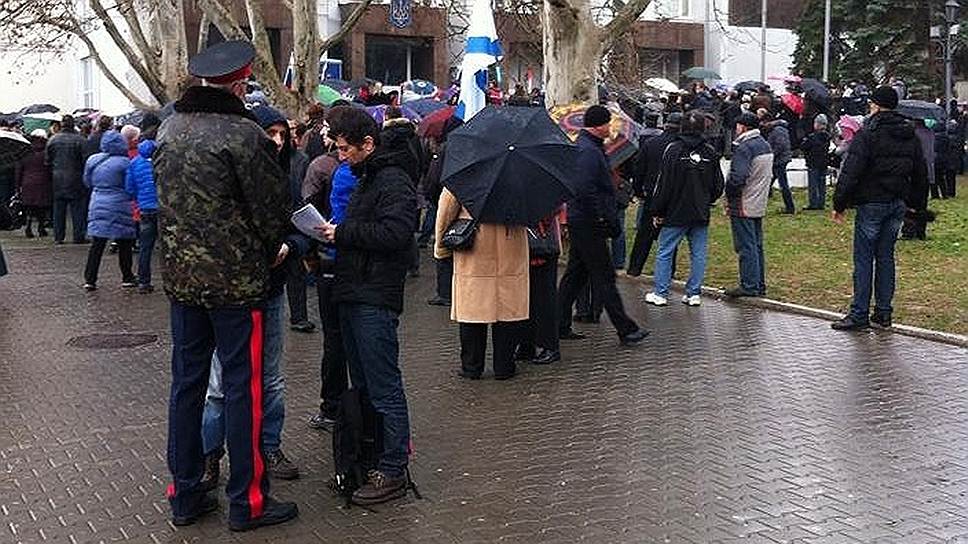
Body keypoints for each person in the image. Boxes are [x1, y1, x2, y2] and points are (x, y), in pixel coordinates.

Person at [154, 40, 298, 531]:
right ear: (240, 84)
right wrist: (275, 247)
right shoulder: (245, 135)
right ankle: (248, 501)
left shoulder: (169, 128)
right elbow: (271, 211)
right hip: (237, 285)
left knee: (187, 386)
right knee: (244, 389)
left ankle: (184, 493)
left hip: (183, 281)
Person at [199, 103, 310, 486]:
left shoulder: (287, 177)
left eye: (283, 134)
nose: (277, 141)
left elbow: (301, 226)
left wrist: (291, 247)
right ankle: (210, 454)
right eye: (270, 133)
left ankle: (269, 446)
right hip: (229, 293)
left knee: (271, 377)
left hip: (270, 289)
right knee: (219, 383)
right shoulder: (228, 174)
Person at [318, 107, 418, 505]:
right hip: (355, 290)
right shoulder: (367, 176)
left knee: (383, 385)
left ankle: (392, 466)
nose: (341, 156)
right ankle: (369, 457)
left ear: (368, 144)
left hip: (374, 295)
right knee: (362, 384)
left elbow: (396, 234)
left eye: (345, 149)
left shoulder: (392, 180)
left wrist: (342, 232)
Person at [830, 86, 927, 331]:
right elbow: (920, 172)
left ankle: (859, 313)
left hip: (872, 201)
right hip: (897, 201)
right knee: (885, 257)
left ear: (876, 105)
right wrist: (916, 206)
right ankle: (883, 312)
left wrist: (839, 203)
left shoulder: (868, 133)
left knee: (864, 259)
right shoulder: (910, 134)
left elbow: (852, 170)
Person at [557, 105, 649, 346]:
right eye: (607, 123)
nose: (610, 127)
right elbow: (584, 189)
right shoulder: (588, 151)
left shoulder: (592, 148)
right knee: (604, 276)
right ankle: (625, 329)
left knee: (575, 275)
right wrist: (599, 217)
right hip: (588, 223)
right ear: (598, 126)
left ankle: (558, 324)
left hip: (584, 220)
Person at [435, 190, 529, 380]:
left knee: (472, 311)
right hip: (511, 244)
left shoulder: (465, 176)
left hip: (474, 246)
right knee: (508, 310)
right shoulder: (521, 177)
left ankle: (471, 366)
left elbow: (446, 211)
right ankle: (504, 365)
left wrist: (441, 247)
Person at [644, 111, 724, 307]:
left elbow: (664, 183)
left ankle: (661, 292)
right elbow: (718, 184)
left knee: (665, 251)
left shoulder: (673, 150)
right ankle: (693, 292)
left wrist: (658, 210)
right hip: (700, 210)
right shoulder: (710, 152)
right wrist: (707, 200)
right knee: (698, 253)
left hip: (675, 211)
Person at [300, 111, 349, 431]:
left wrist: (309, 251)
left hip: (331, 258)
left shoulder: (323, 167)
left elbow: (307, 209)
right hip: (353, 264)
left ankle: (332, 406)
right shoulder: (372, 170)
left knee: (334, 339)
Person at [724, 112, 774, 298]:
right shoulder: (765, 145)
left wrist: (729, 196)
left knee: (746, 246)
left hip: (743, 202)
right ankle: (759, 284)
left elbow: (738, 178)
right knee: (756, 245)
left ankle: (749, 285)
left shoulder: (745, 148)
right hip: (758, 202)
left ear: (743, 127)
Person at [81, 130, 136, 290]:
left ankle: (90, 279)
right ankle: (127, 276)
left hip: (97, 202)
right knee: (124, 242)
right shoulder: (126, 162)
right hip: (120, 204)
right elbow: (130, 186)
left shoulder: (93, 160)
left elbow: (87, 181)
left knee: (97, 244)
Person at [628, 113, 680, 277]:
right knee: (670, 237)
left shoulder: (651, 143)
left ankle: (635, 267)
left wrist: (638, 190)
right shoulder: (680, 147)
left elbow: (639, 169)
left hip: (651, 194)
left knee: (644, 235)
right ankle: (669, 271)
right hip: (673, 197)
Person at [514, 209, 564, 365]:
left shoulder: (543, 196)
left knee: (544, 298)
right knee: (526, 298)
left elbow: (553, 209)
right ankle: (526, 343)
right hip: (525, 245)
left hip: (542, 245)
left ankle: (550, 345)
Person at [46, 115, 89, 244]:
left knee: (58, 209)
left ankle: (58, 237)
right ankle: (78, 236)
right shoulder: (81, 140)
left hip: (57, 178)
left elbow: (47, 161)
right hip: (76, 178)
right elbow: (85, 160)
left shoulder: (53, 140)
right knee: (78, 209)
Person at [125, 138, 158, 293]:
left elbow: (129, 188)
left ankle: (144, 281)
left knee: (145, 247)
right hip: (163, 208)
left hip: (145, 208)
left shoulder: (134, 163)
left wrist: (138, 199)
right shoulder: (161, 161)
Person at [15, 129, 53, 238]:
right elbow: (50, 168)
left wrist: (17, 187)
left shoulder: (24, 153)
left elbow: (18, 171)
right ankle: (41, 228)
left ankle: (28, 225)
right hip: (43, 182)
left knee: (29, 207)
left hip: (27, 183)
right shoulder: (46, 153)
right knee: (42, 207)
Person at [763, 114, 794, 214]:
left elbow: (780, 146)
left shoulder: (778, 130)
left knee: (783, 184)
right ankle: (766, 198)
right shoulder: (777, 130)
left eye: (763, 123)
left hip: (779, 160)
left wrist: (771, 155)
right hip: (779, 159)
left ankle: (790, 207)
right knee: (770, 181)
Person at [801, 114, 831, 210]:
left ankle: (813, 203)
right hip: (824, 163)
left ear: (817, 124)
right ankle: (821, 202)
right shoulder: (827, 137)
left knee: (813, 184)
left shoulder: (812, 137)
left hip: (813, 163)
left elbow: (804, 147)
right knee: (822, 184)